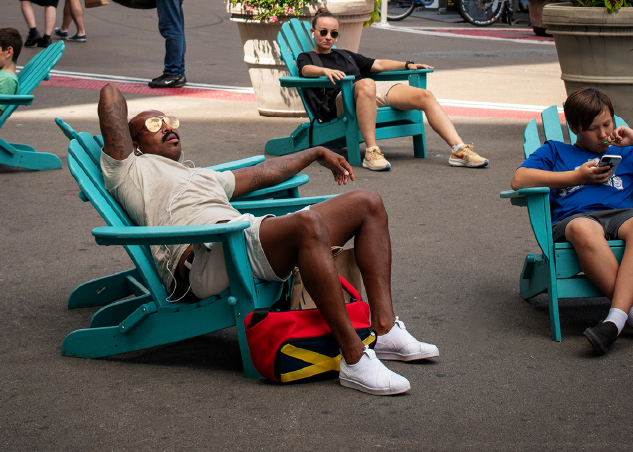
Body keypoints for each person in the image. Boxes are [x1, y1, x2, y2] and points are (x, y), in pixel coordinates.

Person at [97, 82, 439, 395]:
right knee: (307, 223)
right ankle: (353, 357)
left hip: (238, 237)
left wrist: (316, 153)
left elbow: (263, 174)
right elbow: (110, 95)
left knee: (368, 202)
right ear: (135, 146)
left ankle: (384, 329)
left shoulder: (200, 176)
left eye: (170, 121)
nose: (168, 127)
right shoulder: (128, 170)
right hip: (206, 257)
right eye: (154, 126)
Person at [511, 87, 633, 355]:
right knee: (584, 227)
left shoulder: (627, 153)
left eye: (607, 124)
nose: (604, 134)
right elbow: (519, 179)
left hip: (621, 217)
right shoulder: (556, 152)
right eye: (593, 128)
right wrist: (576, 177)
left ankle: (615, 322)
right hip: (575, 218)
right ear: (574, 127)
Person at [297, 9, 488, 171]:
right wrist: (324, 70)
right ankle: (371, 152)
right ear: (313, 32)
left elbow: (377, 63)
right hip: (338, 103)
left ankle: (459, 149)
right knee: (366, 83)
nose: (328, 37)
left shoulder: (345, 55)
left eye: (334, 33)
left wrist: (407, 65)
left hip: (366, 93)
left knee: (424, 95)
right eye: (323, 32)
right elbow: (305, 70)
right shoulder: (307, 57)